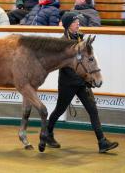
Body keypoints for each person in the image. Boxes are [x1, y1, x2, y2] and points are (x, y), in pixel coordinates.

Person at [46, 12, 119, 153]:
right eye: (75, 22)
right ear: (68, 26)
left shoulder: (82, 39)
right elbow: (65, 67)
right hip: (67, 83)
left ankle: (102, 142)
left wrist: (86, 79)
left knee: (93, 110)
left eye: (78, 21)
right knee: (59, 110)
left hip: (82, 83)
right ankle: (47, 134)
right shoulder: (62, 43)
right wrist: (85, 78)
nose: (78, 23)